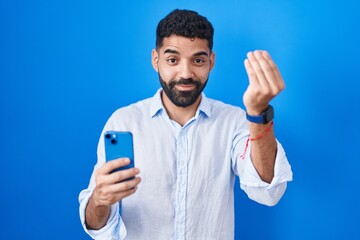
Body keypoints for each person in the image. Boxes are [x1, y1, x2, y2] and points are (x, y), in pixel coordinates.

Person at [79, 9, 293, 240]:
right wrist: (100, 200)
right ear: (155, 60)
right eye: (172, 59)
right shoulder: (124, 121)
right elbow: (98, 228)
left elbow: (268, 192)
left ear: (211, 62)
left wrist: (258, 113)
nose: (186, 73)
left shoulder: (234, 121)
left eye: (198, 60)